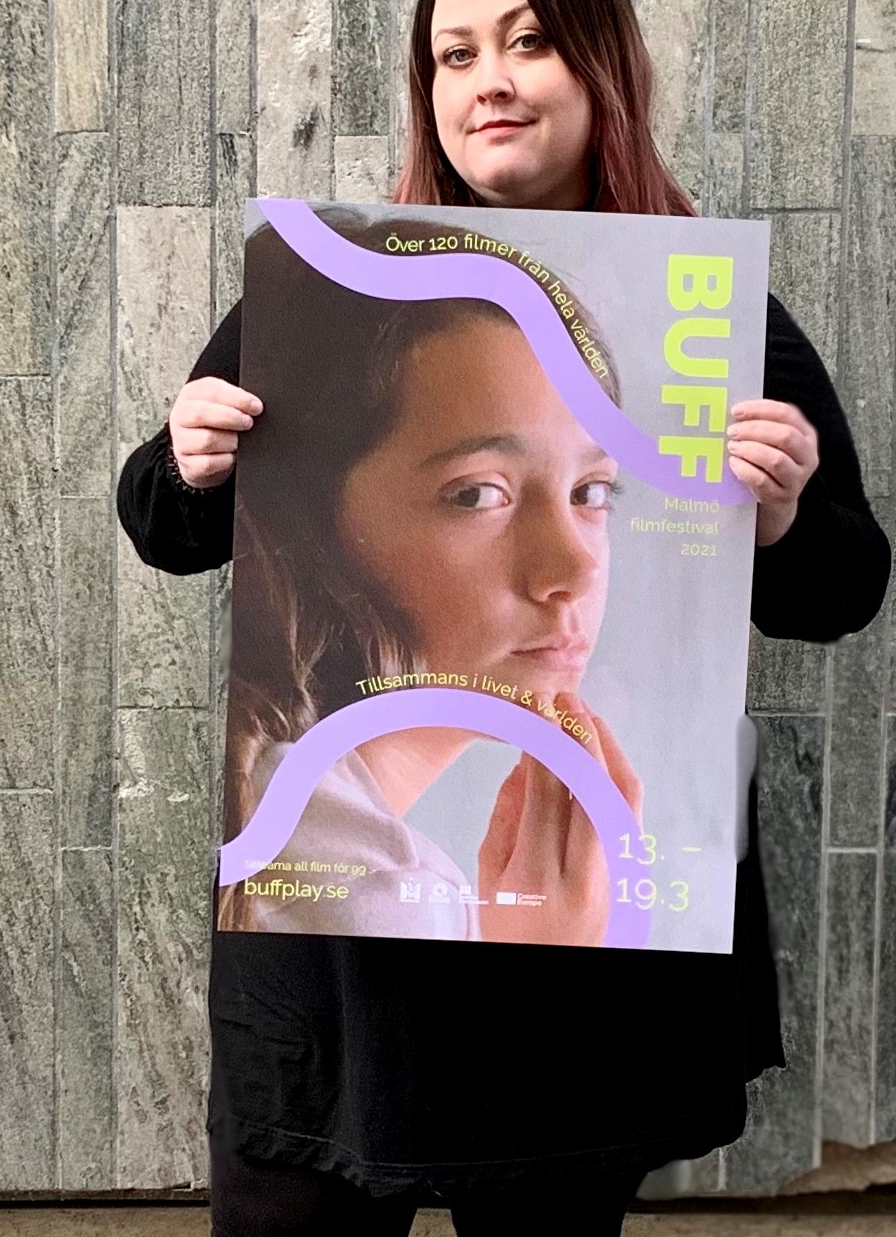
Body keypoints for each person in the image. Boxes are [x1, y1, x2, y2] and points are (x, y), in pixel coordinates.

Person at [108, 0, 890, 1237]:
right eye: (456, 51)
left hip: (592, 893)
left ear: (601, 66)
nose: (490, 80)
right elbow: (170, 529)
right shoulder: (340, 291)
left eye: (528, 40)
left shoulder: (711, 312)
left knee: (547, 1234)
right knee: (287, 1222)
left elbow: (842, 587)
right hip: (347, 894)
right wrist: (188, 453)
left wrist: (785, 512)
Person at [218, 230, 641, 944]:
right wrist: (545, 961)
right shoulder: (375, 895)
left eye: (590, 491)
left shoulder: (283, 817)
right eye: (476, 494)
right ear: (308, 520)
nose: (574, 572)